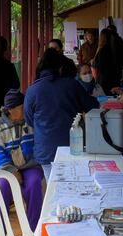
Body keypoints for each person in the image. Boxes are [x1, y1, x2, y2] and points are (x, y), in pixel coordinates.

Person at [25, 48, 98, 178]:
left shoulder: (32, 90)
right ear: (59, 67)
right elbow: (92, 106)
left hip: (45, 149)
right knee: (74, 182)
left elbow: (30, 120)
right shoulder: (71, 85)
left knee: (51, 186)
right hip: (71, 145)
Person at [0, 89, 43, 230]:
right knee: (2, 187)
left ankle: (33, 229)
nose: (25, 110)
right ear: (10, 110)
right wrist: (11, 171)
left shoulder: (30, 121)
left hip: (29, 166)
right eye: (21, 107)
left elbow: (39, 145)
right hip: (6, 169)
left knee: (34, 182)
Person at [91, 28, 123, 95]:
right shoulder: (115, 49)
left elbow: (100, 67)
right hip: (115, 80)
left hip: (104, 82)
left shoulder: (102, 50)